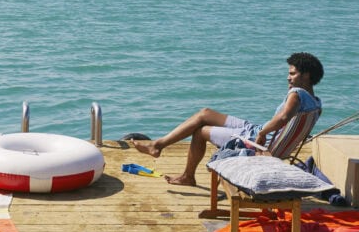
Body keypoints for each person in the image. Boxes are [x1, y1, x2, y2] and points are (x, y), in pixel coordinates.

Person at [129, 52, 323, 186]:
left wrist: (263, 132)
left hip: (256, 141)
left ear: (306, 76)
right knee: (205, 113)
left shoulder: (296, 94)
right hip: (256, 131)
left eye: (292, 73)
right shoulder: (316, 103)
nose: (288, 78)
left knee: (200, 131)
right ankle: (158, 145)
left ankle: (187, 176)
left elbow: (283, 117)